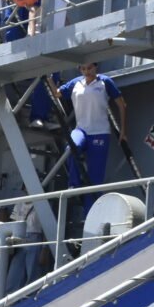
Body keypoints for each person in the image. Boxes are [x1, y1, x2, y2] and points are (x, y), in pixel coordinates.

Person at [59, 61, 131, 219]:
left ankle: (90, 218)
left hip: (100, 133)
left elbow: (122, 105)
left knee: (95, 180)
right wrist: (49, 77)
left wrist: (123, 131)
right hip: (81, 129)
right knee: (71, 148)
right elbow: (57, 94)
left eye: (89, 68)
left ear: (96, 67)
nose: (87, 71)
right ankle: (74, 184)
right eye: (83, 68)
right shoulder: (75, 83)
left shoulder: (105, 82)